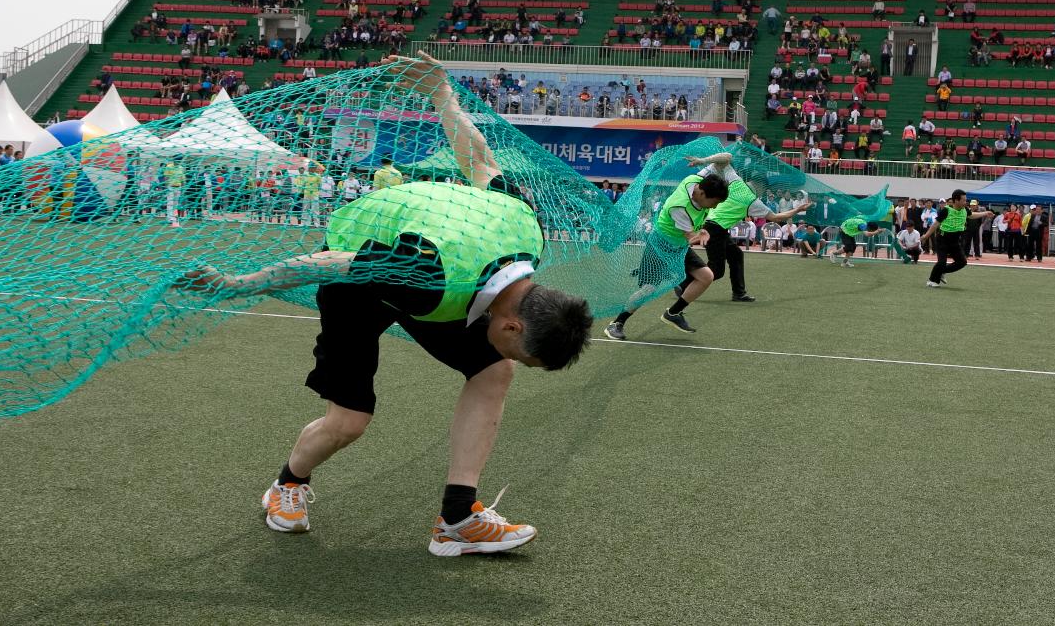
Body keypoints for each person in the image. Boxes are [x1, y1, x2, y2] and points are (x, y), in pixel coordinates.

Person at [176, 52, 592, 556]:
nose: (513, 357)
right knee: (350, 420)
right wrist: (237, 284)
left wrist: (443, 95)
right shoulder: (426, 274)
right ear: (511, 328)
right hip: (363, 282)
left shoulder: (526, 229)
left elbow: (479, 160)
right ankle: (287, 484)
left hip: (445, 281)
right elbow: (328, 261)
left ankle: (457, 519)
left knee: (492, 374)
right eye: (520, 353)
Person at [604, 168, 730, 340]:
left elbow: (719, 162)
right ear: (701, 193)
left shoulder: (696, 179)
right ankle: (616, 323)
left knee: (706, 276)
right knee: (649, 289)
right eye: (714, 202)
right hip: (660, 245)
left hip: (678, 246)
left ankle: (673, 313)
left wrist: (702, 162)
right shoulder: (680, 208)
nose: (715, 207)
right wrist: (703, 234)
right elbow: (691, 237)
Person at [676, 150, 811, 303]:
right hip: (715, 229)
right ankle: (683, 285)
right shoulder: (752, 200)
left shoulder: (736, 182)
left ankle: (739, 293)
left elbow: (725, 158)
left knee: (735, 254)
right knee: (717, 270)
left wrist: (702, 160)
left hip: (714, 226)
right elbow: (776, 217)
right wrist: (798, 209)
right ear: (760, 186)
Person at [922, 189, 994, 287]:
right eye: (964, 200)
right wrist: (926, 236)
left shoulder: (965, 209)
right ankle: (932, 280)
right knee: (942, 262)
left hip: (955, 241)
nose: (966, 202)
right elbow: (935, 224)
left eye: (966, 200)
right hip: (943, 239)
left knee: (962, 262)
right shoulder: (946, 210)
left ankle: (942, 272)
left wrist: (985, 213)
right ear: (956, 200)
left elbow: (971, 215)